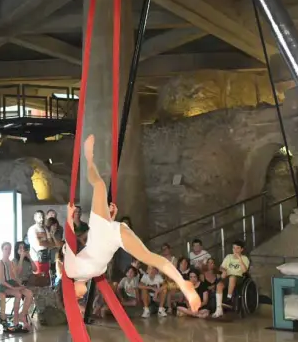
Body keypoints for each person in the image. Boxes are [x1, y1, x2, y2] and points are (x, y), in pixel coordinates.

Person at [63, 135, 200, 316]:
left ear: (70, 291)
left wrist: (69, 217)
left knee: (100, 186)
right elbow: (98, 251)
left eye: (77, 298)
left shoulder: (71, 271)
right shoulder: (90, 275)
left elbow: (70, 243)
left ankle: (88, 158)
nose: (81, 297)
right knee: (149, 257)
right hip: (112, 236)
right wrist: (111, 218)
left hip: (101, 230)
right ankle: (183, 284)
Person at [0, 242, 33, 332]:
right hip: (5, 286)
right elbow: (2, 281)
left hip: (13, 283)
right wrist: (14, 288)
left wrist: (20, 285)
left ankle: (22, 315)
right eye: (6, 249)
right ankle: (15, 321)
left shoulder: (11, 263)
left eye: (9, 249)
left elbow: (15, 276)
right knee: (18, 294)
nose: (8, 251)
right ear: (2, 250)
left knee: (29, 293)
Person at [215, 241, 250, 318]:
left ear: (241, 249)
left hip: (239, 277)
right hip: (228, 276)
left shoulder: (245, 258)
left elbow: (245, 271)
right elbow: (221, 267)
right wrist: (223, 271)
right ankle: (218, 309)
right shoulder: (228, 257)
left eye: (237, 248)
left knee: (232, 277)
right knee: (219, 285)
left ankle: (229, 298)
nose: (235, 250)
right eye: (234, 248)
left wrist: (239, 259)